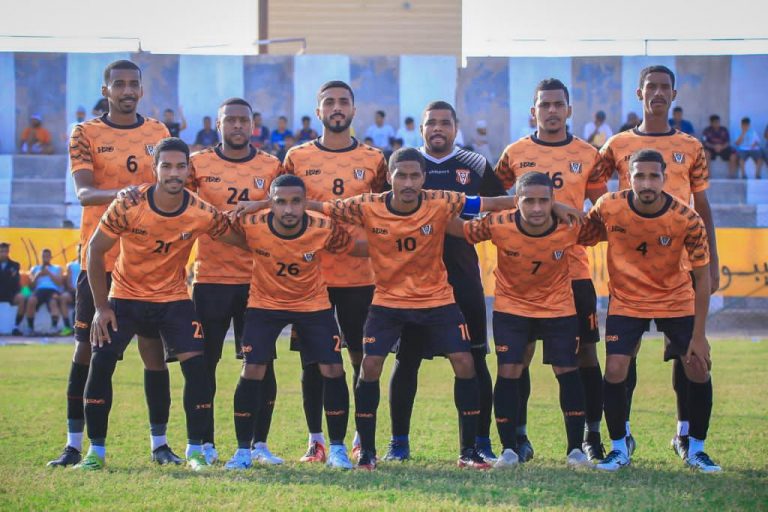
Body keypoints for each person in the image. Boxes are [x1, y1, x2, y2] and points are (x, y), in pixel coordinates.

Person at [291, 148, 547, 470]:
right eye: (402, 176)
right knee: (370, 365)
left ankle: (468, 452)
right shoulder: (367, 205)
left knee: (465, 362)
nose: (409, 182)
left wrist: (542, 204)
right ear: (390, 178)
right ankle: (367, 450)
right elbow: (321, 207)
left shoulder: (440, 201)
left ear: (424, 178)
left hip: (437, 299)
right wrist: (270, 206)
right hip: (388, 301)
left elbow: (488, 203)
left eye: (415, 176)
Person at [77, 136, 246, 471]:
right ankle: (95, 452)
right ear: (154, 169)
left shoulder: (200, 211)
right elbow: (95, 250)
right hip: (125, 298)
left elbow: (239, 239)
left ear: (188, 170)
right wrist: (101, 307)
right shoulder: (129, 204)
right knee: (102, 362)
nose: (173, 173)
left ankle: (194, 451)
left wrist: (278, 237)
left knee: (197, 369)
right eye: (166, 166)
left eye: (180, 166)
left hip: (173, 300)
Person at [48, 59, 175, 468]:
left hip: (146, 263)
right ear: (106, 90)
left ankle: (160, 445)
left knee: (152, 352)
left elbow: (170, 189)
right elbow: (84, 193)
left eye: (133, 84)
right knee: (86, 349)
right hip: (100, 259)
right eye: (118, 84)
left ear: (141, 89)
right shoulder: (85, 132)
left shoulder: (159, 132)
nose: (127, 90)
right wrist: (129, 193)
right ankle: (74, 445)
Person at [601, 65, 720, 459]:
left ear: (673, 94)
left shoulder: (691, 146)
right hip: (631, 270)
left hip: (680, 268)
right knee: (623, 357)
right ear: (639, 93)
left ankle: (685, 434)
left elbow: (702, 204)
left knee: (689, 357)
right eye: (650, 86)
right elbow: (592, 186)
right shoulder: (617, 144)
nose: (657, 93)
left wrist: (712, 262)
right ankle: (622, 437)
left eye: (664, 87)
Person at [579, 149, 720, 473]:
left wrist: (699, 336)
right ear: (628, 177)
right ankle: (619, 448)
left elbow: (701, 279)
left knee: (698, 367)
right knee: (615, 368)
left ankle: (697, 449)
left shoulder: (686, 217)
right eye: (639, 176)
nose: (646, 183)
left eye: (653, 176)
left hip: (675, 299)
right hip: (628, 300)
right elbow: (584, 233)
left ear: (664, 178)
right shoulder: (609, 206)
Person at [384, 101, 506, 463]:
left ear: (456, 127)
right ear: (421, 129)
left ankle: (480, 441)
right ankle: (398, 443)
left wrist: (479, 228)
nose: (437, 128)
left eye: (444, 123)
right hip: (413, 284)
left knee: (474, 360)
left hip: (463, 280)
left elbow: (500, 205)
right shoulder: (407, 165)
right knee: (407, 361)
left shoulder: (475, 164)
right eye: (431, 123)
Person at [495, 78, 609, 462]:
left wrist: (569, 214)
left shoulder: (588, 154)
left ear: (569, 110)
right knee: (519, 357)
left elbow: (603, 213)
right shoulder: (515, 153)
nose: (552, 111)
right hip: (524, 276)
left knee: (584, 356)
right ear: (534, 111)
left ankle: (591, 436)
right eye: (545, 105)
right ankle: (519, 437)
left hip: (573, 272)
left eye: (558, 104)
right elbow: (495, 200)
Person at [448, 171, 591, 468]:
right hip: (512, 308)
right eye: (528, 201)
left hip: (558, 308)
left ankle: (576, 450)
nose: (536, 208)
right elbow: (462, 230)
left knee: (567, 370)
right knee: (509, 370)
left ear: (553, 201)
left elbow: (607, 229)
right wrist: (429, 210)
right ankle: (509, 450)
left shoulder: (570, 224)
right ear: (517, 201)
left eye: (543, 201)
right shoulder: (498, 223)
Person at [223, 174, 359, 470]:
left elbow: (350, 246)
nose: (288, 209)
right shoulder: (252, 223)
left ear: (305, 202)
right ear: (270, 204)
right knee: (253, 369)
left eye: (296, 202)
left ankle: (337, 449)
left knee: (333, 368)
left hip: (313, 304)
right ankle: (243, 451)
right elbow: (217, 226)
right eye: (280, 202)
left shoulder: (323, 226)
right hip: (265, 304)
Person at [283, 80, 388, 463]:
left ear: (354, 110)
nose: (337, 107)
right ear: (319, 111)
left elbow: (385, 210)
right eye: (329, 102)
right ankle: (316, 440)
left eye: (343, 101)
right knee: (313, 360)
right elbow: (284, 207)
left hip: (361, 276)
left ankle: (360, 436)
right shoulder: (296, 157)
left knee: (363, 359)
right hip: (312, 278)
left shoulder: (375, 158)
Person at [187, 97, 283, 465]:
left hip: (258, 279)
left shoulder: (271, 166)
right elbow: (183, 208)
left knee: (262, 363)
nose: (238, 126)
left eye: (244, 120)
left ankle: (259, 444)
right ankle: (205, 442)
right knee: (204, 364)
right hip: (211, 278)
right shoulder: (198, 164)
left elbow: (286, 208)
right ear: (218, 124)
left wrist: (259, 207)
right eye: (231, 120)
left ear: (253, 124)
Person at [25, 249, 64, 334]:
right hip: (39, 290)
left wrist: (49, 273)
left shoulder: (57, 268)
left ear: (50, 257)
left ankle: (54, 327)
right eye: (44, 256)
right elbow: (31, 286)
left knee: (53, 302)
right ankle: (30, 328)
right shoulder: (35, 268)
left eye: (47, 256)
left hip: (53, 290)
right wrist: (37, 275)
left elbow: (60, 283)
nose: (45, 258)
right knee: (31, 300)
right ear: (41, 257)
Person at [0, 242, 26, 336]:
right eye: (1, 251)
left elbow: (14, 280)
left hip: (10, 292)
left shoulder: (15, 265)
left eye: (5, 251)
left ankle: (16, 326)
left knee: (22, 297)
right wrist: (8, 275)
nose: (3, 253)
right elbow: (8, 277)